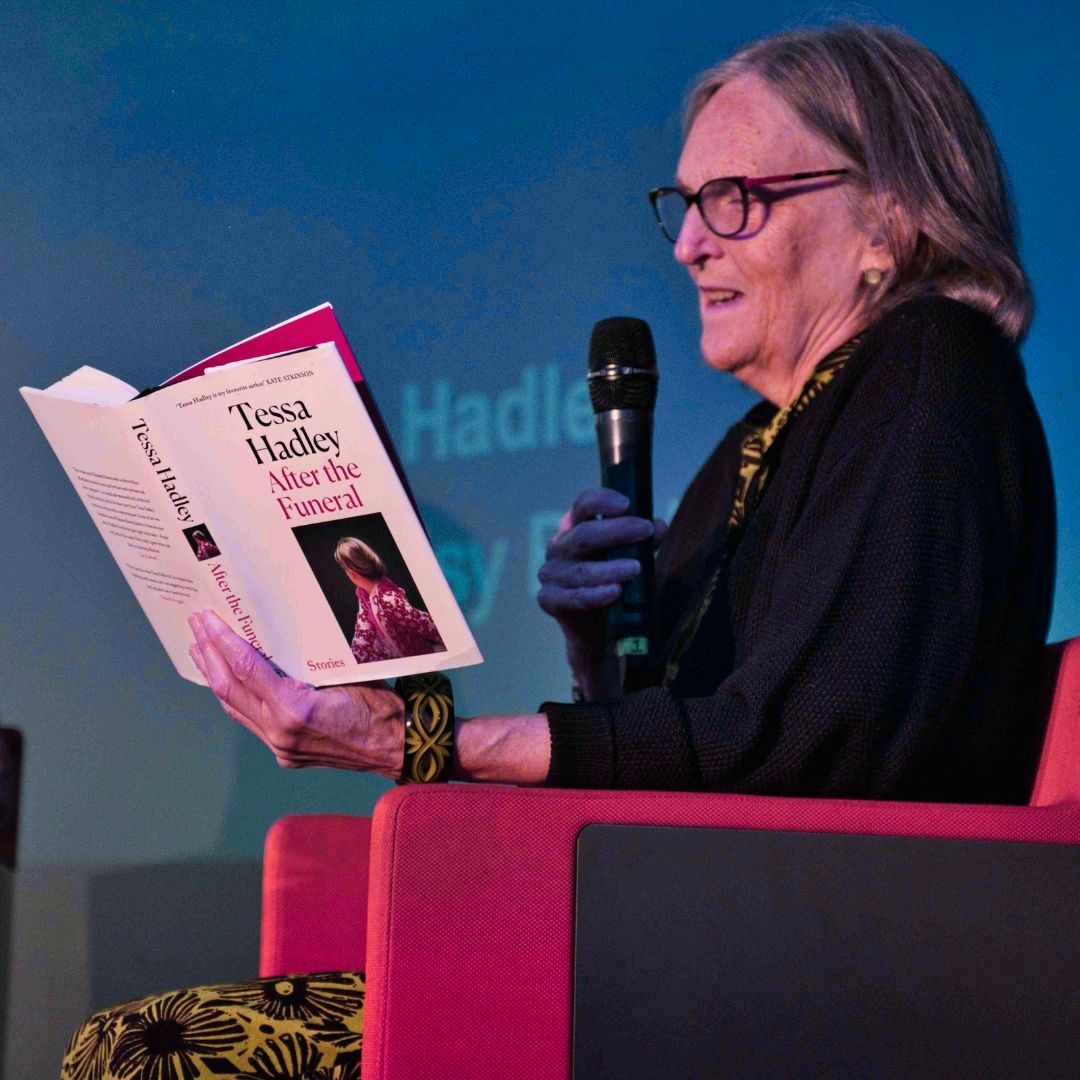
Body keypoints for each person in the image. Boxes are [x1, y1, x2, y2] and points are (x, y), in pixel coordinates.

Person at [63, 22, 1056, 1080]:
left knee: (142, 1056)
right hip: (695, 942)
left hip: (802, 979)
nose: (688, 246)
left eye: (738, 199)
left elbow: (805, 747)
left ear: (890, 221)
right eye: (684, 204)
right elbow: (710, 764)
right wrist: (601, 658)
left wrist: (422, 744)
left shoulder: (929, 374)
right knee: (133, 1043)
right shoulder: (762, 439)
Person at [333, 537, 445, 664]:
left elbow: (427, 625)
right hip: (394, 660)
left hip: (418, 662)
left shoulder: (388, 599)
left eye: (344, 569)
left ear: (351, 573)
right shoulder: (363, 595)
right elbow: (362, 635)